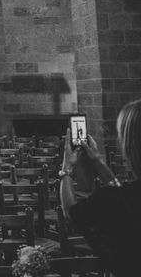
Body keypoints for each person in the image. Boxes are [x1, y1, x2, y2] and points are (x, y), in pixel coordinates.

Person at [60, 100, 141, 277]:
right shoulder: (122, 197)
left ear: (130, 144)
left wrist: (66, 169)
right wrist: (96, 161)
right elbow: (121, 192)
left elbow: (72, 212)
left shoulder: (111, 200)